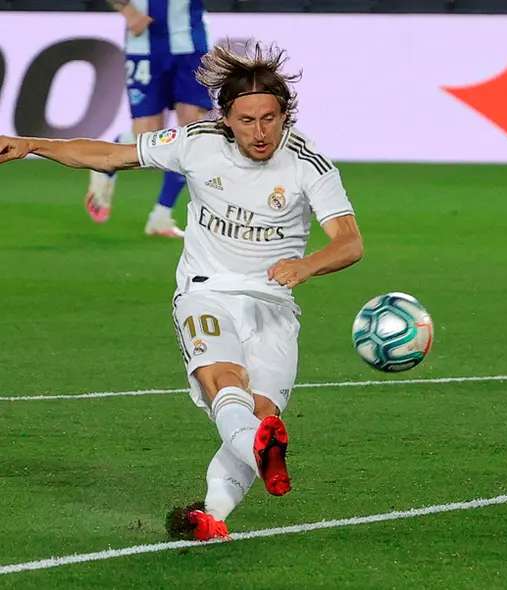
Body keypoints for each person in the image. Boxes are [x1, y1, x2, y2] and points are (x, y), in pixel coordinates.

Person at [0, 41, 364, 541]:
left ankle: (210, 513)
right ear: (227, 118)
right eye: (247, 119)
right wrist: (32, 144)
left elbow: (349, 242)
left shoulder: (309, 164)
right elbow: (110, 155)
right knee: (224, 381)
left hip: (274, 304)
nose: (260, 132)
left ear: (285, 115)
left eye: (270, 118)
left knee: (261, 416)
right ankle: (258, 451)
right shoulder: (196, 141)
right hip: (205, 290)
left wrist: (307, 265)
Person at [85, 0, 220, 238]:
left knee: (192, 136)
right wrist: (127, 10)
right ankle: (108, 159)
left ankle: (161, 216)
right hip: (145, 45)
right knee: (147, 141)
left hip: (192, 46)